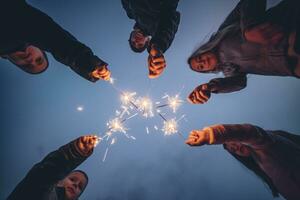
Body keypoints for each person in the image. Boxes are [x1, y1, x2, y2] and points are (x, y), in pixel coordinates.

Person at [187, 0, 300, 104]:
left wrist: (249, 28)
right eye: (201, 67)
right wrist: (210, 86)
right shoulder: (230, 70)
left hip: (291, 23)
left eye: (198, 58)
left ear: (203, 50)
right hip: (293, 64)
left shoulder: (224, 31)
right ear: (208, 70)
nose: (203, 62)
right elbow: (239, 83)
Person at [0, 0, 110, 82]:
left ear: (6, 58)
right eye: (38, 60)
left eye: (27, 66)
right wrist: (86, 62)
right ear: (40, 47)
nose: (31, 61)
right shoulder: (22, 21)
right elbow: (52, 38)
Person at [186, 124, 300, 200]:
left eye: (233, 141)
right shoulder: (264, 167)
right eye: (232, 150)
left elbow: (254, 133)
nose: (234, 148)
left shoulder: (267, 144)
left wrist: (210, 134)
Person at [7, 135, 99, 200]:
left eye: (80, 186)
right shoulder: (40, 191)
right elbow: (45, 173)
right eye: (72, 179)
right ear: (59, 181)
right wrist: (73, 153)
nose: (75, 185)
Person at [121, 0, 180, 78]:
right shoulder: (156, 28)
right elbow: (171, 19)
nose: (136, 41)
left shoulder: (130, 13)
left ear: (131, 35)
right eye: (140, 44)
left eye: (133, 42)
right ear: (148, 41)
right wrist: (158, 45)